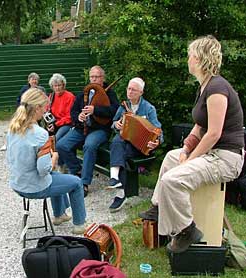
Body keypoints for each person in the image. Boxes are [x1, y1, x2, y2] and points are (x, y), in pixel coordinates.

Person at [139, 35, 245, 253]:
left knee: (172, 180)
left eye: (190, 55)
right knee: (171, 157)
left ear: (199, 59)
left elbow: (213, 134)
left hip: (226, 158)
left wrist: (191, 159)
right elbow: (198, 127)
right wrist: (186, 149)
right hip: (213, 153)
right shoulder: (204, 86)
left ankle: (187, 229)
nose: (187, 59)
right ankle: (158, 207)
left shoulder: (217, 88)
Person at [6, 88, 86, 234]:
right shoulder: (40, 133)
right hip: (34, 187)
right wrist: (54, 157)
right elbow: (44, 170)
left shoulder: (13, 128)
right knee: (76, 183)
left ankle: (59, 215)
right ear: (37, 108)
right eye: (44, 108)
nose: (46, 111)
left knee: (57, 177)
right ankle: (80, 224)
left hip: (17, 183)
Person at [57, 65, 119, 197]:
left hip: (99, 130)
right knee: (61, 145)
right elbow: (73, 111)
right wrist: (78, 117)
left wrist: (95, 110)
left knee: (89, 146)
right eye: (92, 77)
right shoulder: (84, 92)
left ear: (103, 78)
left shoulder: (109, 93)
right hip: (81, 128)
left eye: (97, 77)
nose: (94, 79)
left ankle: (84, 183)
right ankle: (77, 170)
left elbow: (114, 111)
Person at [107, 77, 162, 212]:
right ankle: (116, 181)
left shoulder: (149, 108)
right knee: (118, 141)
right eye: (129, 88)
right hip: (125, 141)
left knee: (119, 149)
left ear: (141, 92)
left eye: (133, 90)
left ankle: (118, 189)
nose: (130, 92)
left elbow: (158, 130)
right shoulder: (123, 106)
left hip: (139, 146)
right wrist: (117, 124)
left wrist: (157, 141)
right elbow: (113, 122)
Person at [46, 73, 76, 172]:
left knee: (57, 139)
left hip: (67, 124)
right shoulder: (51, 96)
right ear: (52, 87)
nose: (57, 88)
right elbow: (47, 112)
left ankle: (61, 165)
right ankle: (48, 163)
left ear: (63, 85)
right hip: (55, 123)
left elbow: (69, 117)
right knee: (44, 138)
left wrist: (56, 124)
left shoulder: (70, 96)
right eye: (55, 86)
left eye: (59, 85)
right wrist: (50, 124)